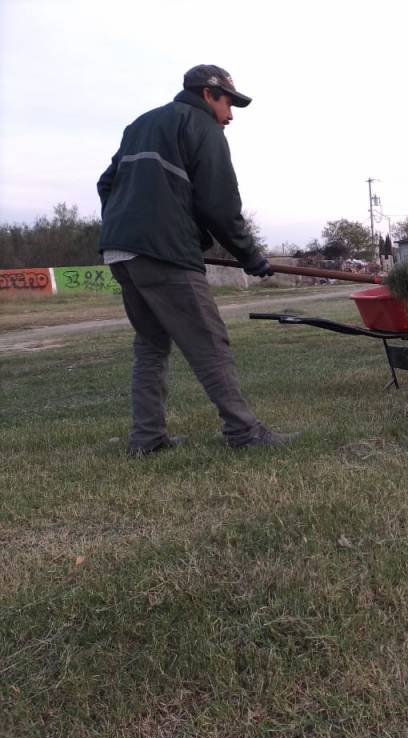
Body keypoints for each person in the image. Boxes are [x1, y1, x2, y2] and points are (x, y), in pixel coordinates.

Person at [98, 64, 297, 455]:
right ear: (208, 94)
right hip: (165, 253)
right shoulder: (202, 127)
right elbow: (219, 204)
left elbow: (107, 183)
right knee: (209, 341)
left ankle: (148, 439)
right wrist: (249, 255)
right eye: (228, 103)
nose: (231, 115)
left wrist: (131, 223)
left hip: (121, 251)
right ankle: (244, 432)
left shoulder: (141, 123)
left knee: (152, 344)